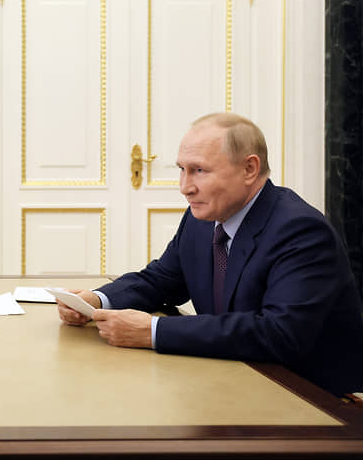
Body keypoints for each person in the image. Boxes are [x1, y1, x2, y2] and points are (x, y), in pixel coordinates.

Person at [56, 113, 363, 396]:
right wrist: (97, 300)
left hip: (312, 402)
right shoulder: (203, 219)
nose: (185, 187)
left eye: (199, 171)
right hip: (233, 383)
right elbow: (161, 279)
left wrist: (153, 331)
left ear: (249, 169)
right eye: (182, 170)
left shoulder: (300, 231)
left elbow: (279, 333)